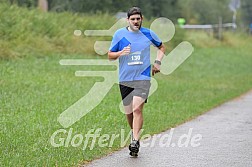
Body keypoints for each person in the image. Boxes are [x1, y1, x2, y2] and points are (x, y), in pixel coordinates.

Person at [108, 7, 165, 156]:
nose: (136, 21)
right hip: (125, 78)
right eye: (133, 19)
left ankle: (135, 140)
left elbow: (161, 47)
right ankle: (134, 133)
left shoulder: (148, 33)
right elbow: (110, 55)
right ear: (128, 20)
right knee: (129, 112)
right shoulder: (120, 35)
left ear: (141, 19)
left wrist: (158, 62)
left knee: (137, 109)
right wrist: (121, 53)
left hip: (143, 77)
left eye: (138, 19)